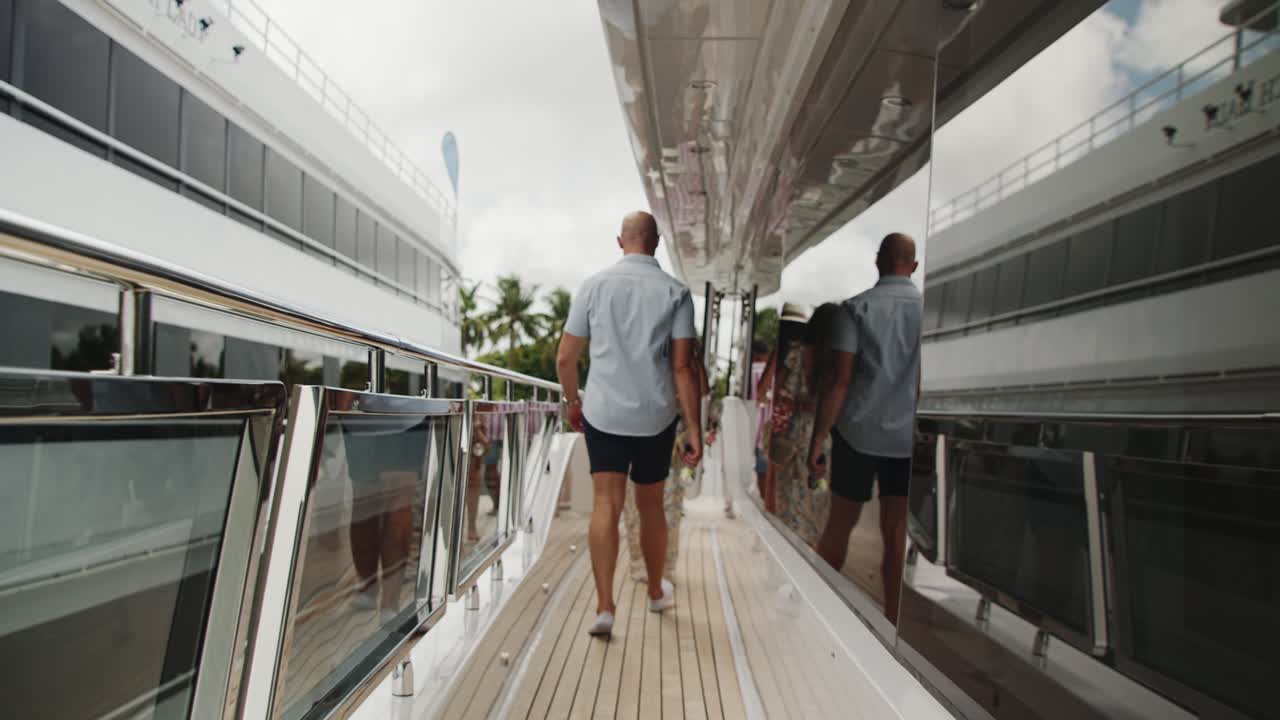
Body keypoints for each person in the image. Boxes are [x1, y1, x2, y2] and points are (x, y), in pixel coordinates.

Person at [556, 210, 703, 638]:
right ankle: (656, 590)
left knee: (607, 504)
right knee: (651, 505)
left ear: (620, 242)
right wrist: (693, 428)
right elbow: (682, 368)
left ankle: (605, 607)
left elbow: (566, 357)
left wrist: (572, 403)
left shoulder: (594, 286)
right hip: (655, 416)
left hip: (603, 412)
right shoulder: (677, 293)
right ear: (655, 244)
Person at [808, 233, 922, 625]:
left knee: (840, 522)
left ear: (878, 261)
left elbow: (840, 382)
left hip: (857, 433)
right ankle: (892, 620)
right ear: (915, 266)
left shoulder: (854, 311)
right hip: (906, 440)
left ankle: (816, 608)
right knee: (894, 532)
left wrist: (819, 438)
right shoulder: (928, 311)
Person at [621, 339, 710, 582]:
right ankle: (643, 564)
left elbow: (702, 394)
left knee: (667, 507)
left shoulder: (689, 360)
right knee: (639, 505)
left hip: (672, 443)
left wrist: (694, 359)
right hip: (645, 435)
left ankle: (662, 567)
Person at [763, 304, 838, 546]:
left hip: (792, 431)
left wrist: (793, 403)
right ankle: (807, 549)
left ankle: (783, 552)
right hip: (820, 433)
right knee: (815, 497)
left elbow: (777, 390)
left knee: (786, 493)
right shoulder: (836, 357)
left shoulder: (795, 352)